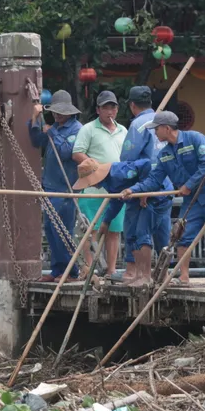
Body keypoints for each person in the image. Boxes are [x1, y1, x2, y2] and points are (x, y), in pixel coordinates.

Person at [121, 110, 205, 287]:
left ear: (166, 128)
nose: (155, 133)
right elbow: (154, 180)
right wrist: (133, 190)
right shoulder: (164, 154)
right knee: (183, 236)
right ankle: (184, 277)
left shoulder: (196, 139)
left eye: (156, 129)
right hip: (192, 201)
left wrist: (188, 185)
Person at [72, 157, 170, 286]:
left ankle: (146, 276)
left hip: (156, 194)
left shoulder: (120, 172)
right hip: (135, 200)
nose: (92, 185)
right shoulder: (108, 182)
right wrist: (106, 221)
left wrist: (142, 190)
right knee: (131, 234)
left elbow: (146, 165)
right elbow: (116, 200)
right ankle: (139, 274)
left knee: (142, 232)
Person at [117, 86, 172, 281]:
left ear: (132, 105)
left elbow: (128, 159)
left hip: (144, 186)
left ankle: (139, 273)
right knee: (162, 231)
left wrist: (132, 185)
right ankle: (164, 275)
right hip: (166, 184)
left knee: (139, 231)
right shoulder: (164, 122)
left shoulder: (138, 125)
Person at [29, 90, 83, 283]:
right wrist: (35, 120)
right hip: (50, 187)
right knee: (51, 229)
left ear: (69, 111)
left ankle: (72, 271)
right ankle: (57, 269)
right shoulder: (54, 127)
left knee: (64, 230)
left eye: (61, 111)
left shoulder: (76, 129)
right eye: (55, 111)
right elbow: (36, 141)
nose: (57, 114)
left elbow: (67, 152)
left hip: (66, 188)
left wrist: (50, 131)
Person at [73, 90, 127, 276]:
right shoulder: (87, 129)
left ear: (117, 110)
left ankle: (111, 270)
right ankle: (90, 269)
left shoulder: (123, 131)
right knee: (91, 230)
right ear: (98, 110)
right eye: (105, 108)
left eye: (113, 107)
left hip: (117, 189)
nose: (109, 111)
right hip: (93, 188)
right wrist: (96, 168)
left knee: (114, 231)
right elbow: (77, 153)